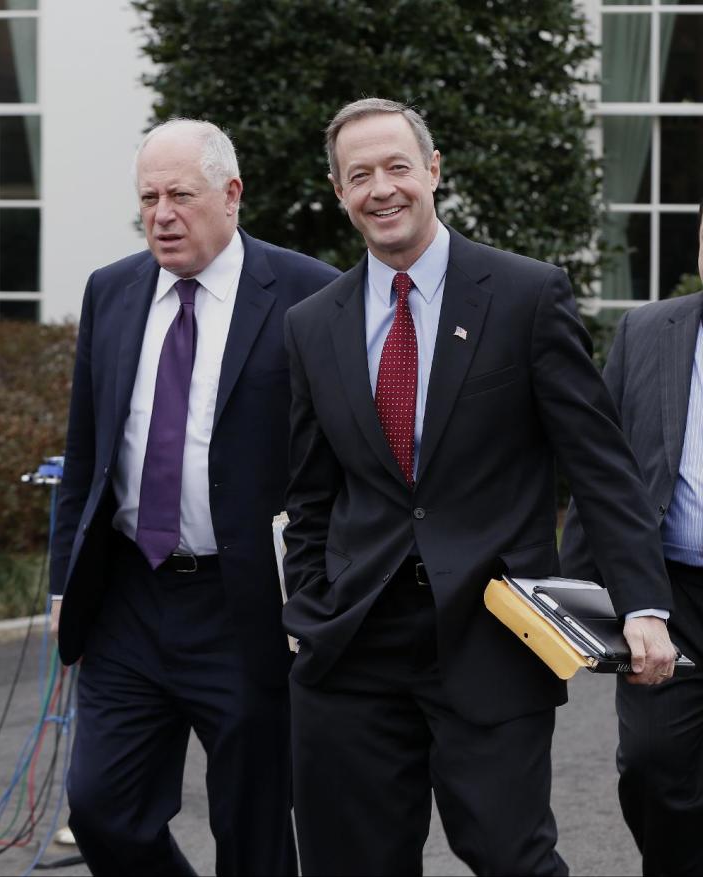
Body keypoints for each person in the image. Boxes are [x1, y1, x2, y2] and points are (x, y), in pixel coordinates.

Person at [280, 97, 678, 876]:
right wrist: (307, 606)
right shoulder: (311, 323)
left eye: (397, 167)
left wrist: (644, 604)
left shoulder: (525, 294)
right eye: (359, 175)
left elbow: (599, 464)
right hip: (352, 643)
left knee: (512, 858)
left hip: (491, 634)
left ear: (433, 171)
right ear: (338, 192)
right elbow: (310, 490)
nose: (381, 188)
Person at [47, 118, 338, 876]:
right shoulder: (112, 291)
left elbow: (343, 460)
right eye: (148, 198)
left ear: (231, 194)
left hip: (246, 606)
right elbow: (85, 452)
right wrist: (60, 581)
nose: (162, 214)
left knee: (255, 825)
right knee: (102, 809)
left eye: (180, 194)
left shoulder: (309, 292)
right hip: (128, 600)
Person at [561, 203, 703, 876]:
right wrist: (578, 600)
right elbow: (604, 468)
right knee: (652, 764)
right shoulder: (649, 330)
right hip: (668, 591)